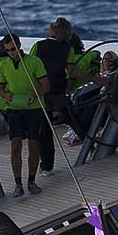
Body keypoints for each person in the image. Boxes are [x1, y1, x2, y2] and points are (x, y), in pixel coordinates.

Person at [0, 33, 49, 196]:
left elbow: (46, 85)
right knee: (15, 144)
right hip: (14, 109)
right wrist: (5, 96)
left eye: (14, 49)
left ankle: (31, 180)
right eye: (8, 50)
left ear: (19, 45)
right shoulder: (4, 65)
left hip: (34, 108)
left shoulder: (34, 62)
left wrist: (36, 94)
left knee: (34, 145)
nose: (12, 53)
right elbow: (0, 88)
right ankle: (18, 183)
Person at [30, 18, 81, 177]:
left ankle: (46, 167)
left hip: (41, 93)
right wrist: (94, 78)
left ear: (52, 30)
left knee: (44, 130)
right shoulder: (68, 49)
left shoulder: (38, 46)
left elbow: (29, 68)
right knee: (74, 119)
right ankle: (91, 144)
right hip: (58, 91)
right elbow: (72, 72)